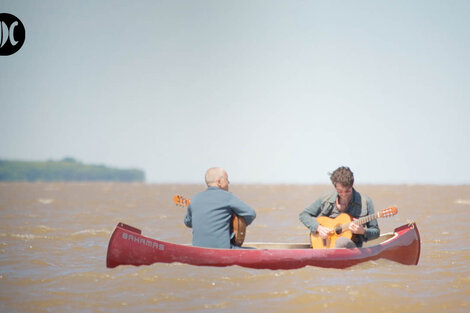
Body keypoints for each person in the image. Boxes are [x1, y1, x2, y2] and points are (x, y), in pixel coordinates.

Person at [299, 166, 379, 248]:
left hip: (352, 247)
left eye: (347, 191)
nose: (344, 195)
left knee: (342, 241)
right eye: (340, 191)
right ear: (335, 187)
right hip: (324, 245)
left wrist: (363, 231)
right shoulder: (326, 198)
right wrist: (318, 228)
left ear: (352, 185)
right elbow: (304, 215)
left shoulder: (366, 202)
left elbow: (376, 232)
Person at [184, 167, 256, 249]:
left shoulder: (195, 199)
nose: (228, 182)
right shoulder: (228, 197)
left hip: (198, 249)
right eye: (226, 179)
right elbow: (251, 213)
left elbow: (188, 222)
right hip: (224, 249)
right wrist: (237, 225)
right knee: (255, 251)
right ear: (219, 182)